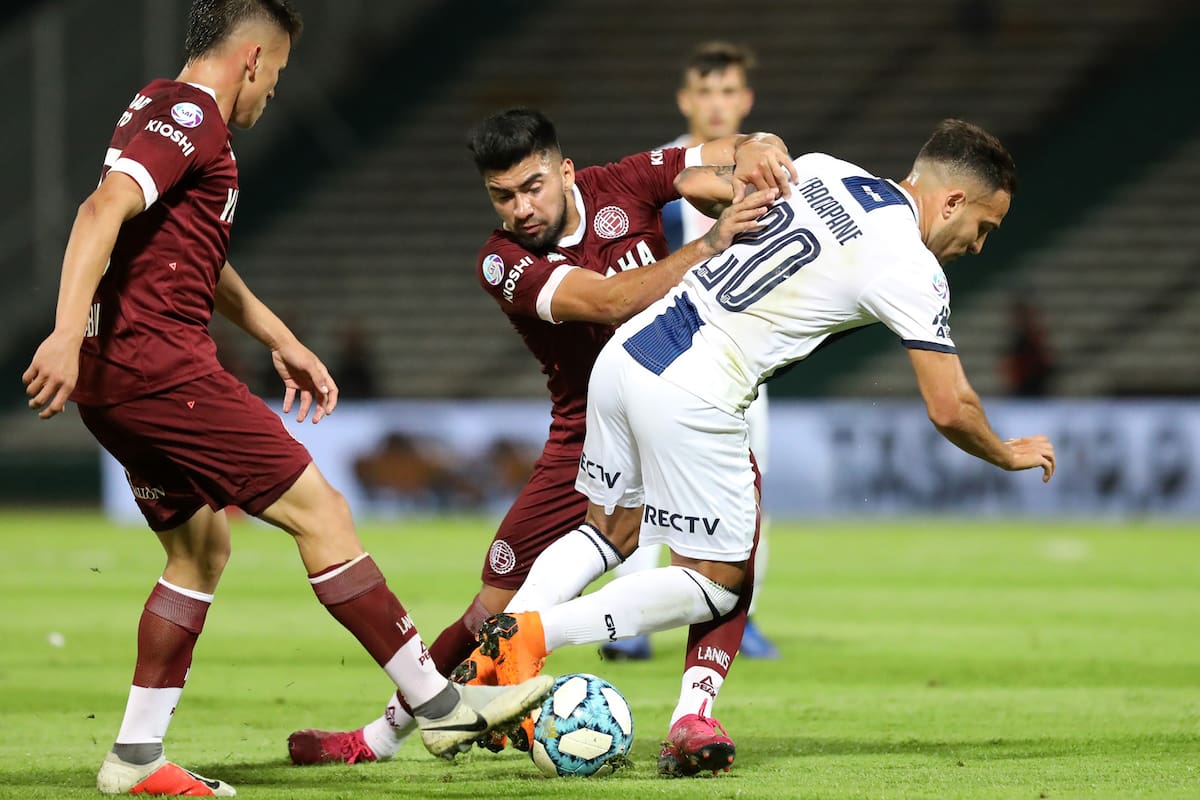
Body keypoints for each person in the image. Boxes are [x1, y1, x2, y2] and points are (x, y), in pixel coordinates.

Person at [21, 4, 551, 796]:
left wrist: (278, 336)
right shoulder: (191, 117)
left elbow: (189, 254)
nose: (274, 92)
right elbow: (99, 213)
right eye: (280, 75)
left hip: (119, 381)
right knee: (323, 513)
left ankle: (134, 758)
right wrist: (63, 331)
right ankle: (437, 703)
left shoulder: (154, 109)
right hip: (160, 368)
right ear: (254, 58)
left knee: (200, 551)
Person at [464, 119, 1057, 777]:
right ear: (951, 203)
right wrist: (1005, 453)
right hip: (695, 391)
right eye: (984, 227)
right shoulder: (911, 265)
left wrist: (759, 149)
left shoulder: (826, 166)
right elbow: (950, 407)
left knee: (609, 530)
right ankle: (534, 637)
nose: (977, 246)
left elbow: (702, 185)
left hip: (629, 355)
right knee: (720, 584)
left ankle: (495, 671)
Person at [286, 108, 792, 773]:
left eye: (533, 187)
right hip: (587, 435)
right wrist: (708, 245)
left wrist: (762, 151)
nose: (521, 208)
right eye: (502, 196)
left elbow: (718, 159)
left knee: (729, 553)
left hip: (686, 407)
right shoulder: (502, 261)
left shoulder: (624, 183)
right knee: (486, 610)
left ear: (566, 171)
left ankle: (692, 717)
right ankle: (377, 737)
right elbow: (609, 301)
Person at [602, 39, 780, 663]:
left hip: (745, 362)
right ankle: (630, 625)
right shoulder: (664, 175)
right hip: (670, 353)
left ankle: (742, 617)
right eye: (705, 91)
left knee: (746, 490)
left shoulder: (777, 177)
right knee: (642, 488)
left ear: (746, 99)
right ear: (685, 98)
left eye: (728, 91)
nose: (716, 103)